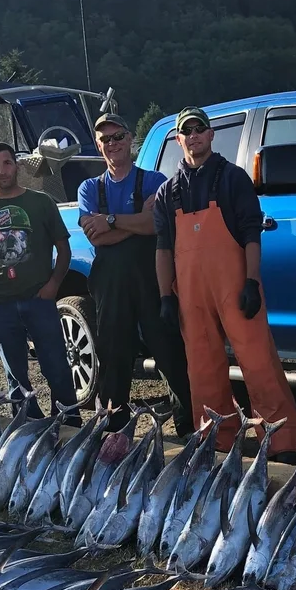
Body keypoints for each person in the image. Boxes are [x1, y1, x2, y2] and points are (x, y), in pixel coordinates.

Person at [153, 106, 296, 460]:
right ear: (178, 139)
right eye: (186, 131)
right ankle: (217, 438)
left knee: (258, 361)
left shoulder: (233, 178)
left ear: (210, 134)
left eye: (199, 129)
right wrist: (165, 298)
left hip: (235, 286)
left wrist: (251, 282)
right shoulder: (167, 192)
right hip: (190, 292)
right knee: (202, 367)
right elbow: (162, 249)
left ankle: (281, 442)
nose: (193, 136)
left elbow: (252, 234)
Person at [78, 113, 194, 438]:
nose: (112, 144)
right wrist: (137, 219)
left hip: (153, 280)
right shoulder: (89, 188)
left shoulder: (155, 180)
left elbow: (154, 225)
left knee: (170, 352)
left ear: (130, 139)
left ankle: (189, 429)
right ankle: (115, 431)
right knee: (113, 357)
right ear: (99, 146)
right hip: (110, 286)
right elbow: (96, 237)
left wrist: (112, 220)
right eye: (105, 140)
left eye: (118, 137)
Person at [0, 142, 79, 420]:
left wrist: (54, 285)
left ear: (16, 165)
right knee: (15, 375)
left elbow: (63, 249)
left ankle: (69, 421)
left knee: (56, 365)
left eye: (7, 163)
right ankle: (28, 425)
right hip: (1, 304)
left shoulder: (41, 202)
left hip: (39, 299)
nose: (2, 170)